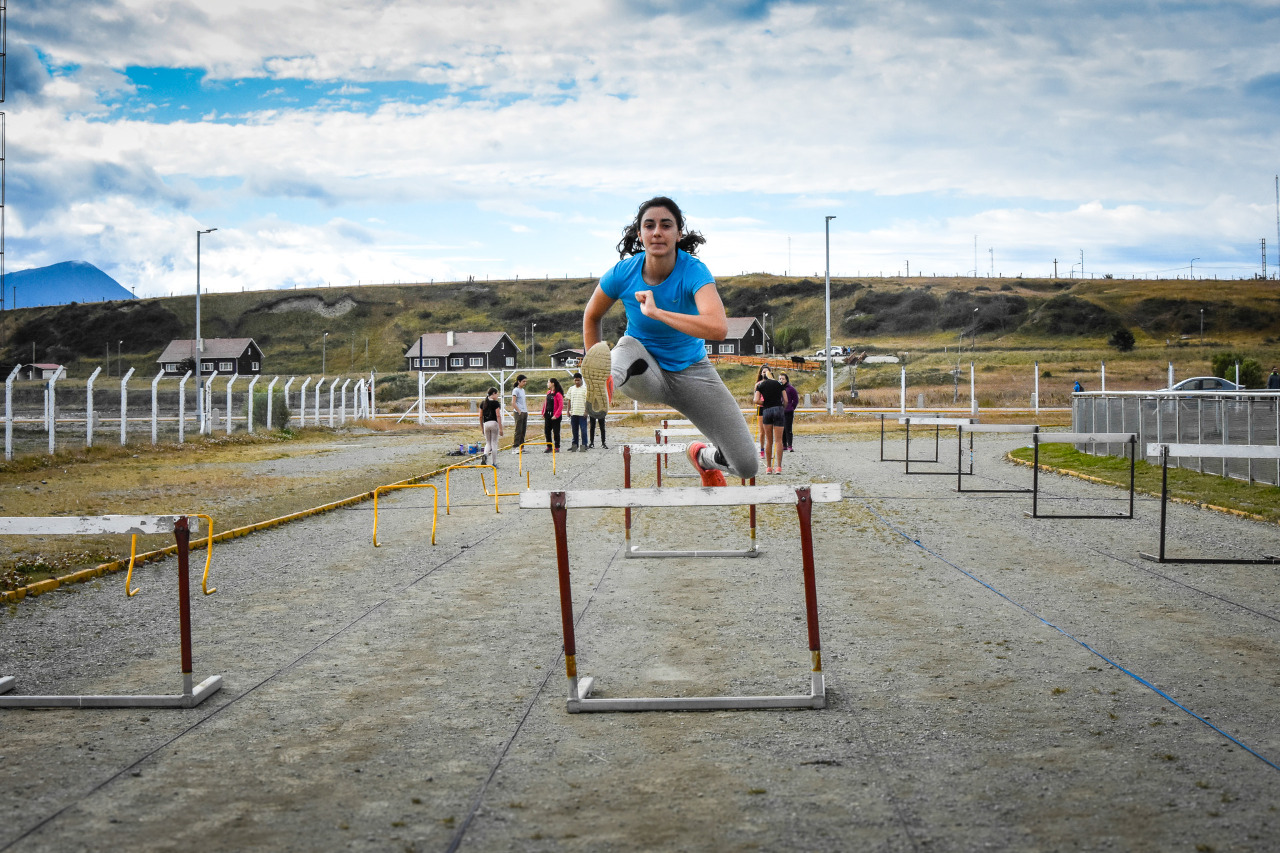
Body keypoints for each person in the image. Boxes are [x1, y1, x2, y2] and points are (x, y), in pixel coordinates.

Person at [580, 196, 757, 486]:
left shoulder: (693, 271)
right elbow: (591, 316)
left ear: (679, 233)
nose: (657, 232)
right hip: (642, 369)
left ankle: (702, 457)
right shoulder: (622, 273)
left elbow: (718, 328)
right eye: (649, 226)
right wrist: (592, 359)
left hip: (693, 372)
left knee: (747, 465)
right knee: (627, 346)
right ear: (639, 234)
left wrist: (658, 312)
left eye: (665, 225)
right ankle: (602, 381)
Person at [478, 387, 503, 468]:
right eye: (497, 394)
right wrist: (501, 428)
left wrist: (482, 427)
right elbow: (498, 415)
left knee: (488, 442)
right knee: (494, 443)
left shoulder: (483, 403)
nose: (497, 396)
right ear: (493, 394)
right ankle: (494, 463)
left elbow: (480, 416)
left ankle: (485, 454)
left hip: (486, 424)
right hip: (494, 423)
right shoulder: (496, 403)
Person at [565, 372, 589, 451]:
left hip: (582, 413)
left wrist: (586, 411)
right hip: (574, 413)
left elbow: (588, 401)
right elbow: (569, 400)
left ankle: (584, 445)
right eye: (575, 380)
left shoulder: (585, 389)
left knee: (583, 430)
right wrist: (568, 411)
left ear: (581, 380)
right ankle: (574, 446)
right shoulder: (571, 389)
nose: (577, 382)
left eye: (578, 380)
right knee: (574, 431)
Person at [541, 378, 564, 452]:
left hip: (555, 416)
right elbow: (545, 403)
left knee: (556, 432)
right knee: (547, 431)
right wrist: (543, 412)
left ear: (552, 383)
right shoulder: (548, 393)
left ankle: (557, 447)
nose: (547, 384)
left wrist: (556, 415)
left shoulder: (558, 394)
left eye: (548, 382)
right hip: (548, 414)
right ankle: (549, 446)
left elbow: (560, 406)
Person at [754, 365, 771, 459]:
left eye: (767, 372)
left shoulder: (773, 383)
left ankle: (769, 450)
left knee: (769, 430)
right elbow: (755, 398)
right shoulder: (758, 384)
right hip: (761, 407)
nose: (765, 373)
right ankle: (762, 450)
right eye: (763, 372)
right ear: (761, 373)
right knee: (762, 431)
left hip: (770, 407)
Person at [780, 372, 799, 452]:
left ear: (786, 380)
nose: (781, 380)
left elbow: (795, 400)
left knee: (788, 429)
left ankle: (790, 445)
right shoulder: (778, 388)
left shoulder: (790, 388)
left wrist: (791, 407)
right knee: (781, 429)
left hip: (788, 411)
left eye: (783, 379)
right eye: (780, 379)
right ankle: (784, 444)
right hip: (780, 411)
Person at [510, 374, 529, 450]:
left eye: (525, 381)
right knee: (518, 430)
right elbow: (513, 402)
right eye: (523, 381)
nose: (525, 383)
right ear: (519, 381)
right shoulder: (515, 390)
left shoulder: (523, 390)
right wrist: (519, 411)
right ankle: (516, 446)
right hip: (519, 412)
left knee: (523, 430)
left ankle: (522, 446)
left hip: (524, 411)